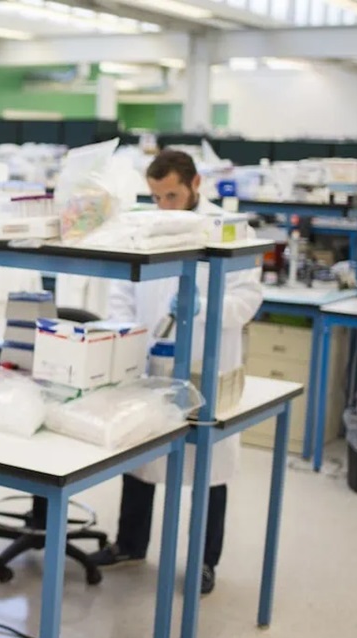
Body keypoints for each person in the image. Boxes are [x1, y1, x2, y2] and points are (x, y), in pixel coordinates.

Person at [89, 149, 263, 595]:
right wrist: (124, 335)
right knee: (141, 456)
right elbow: (123, 292)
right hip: (152, 356)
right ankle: (130, 544)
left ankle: (205, 562)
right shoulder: (144, 226)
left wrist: (204, 309)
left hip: (208, 359)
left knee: (209, 464)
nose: (164, 205)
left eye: (172, 195)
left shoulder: (232, 229)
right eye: (157, 196)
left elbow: (248, 300)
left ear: (195, 184)